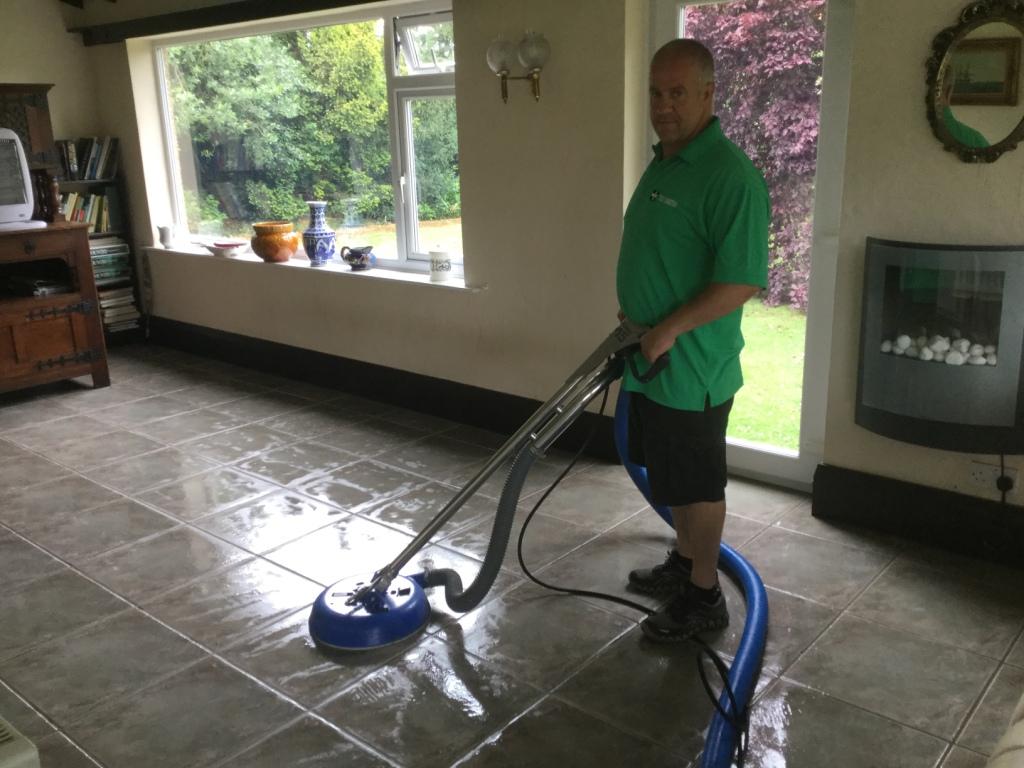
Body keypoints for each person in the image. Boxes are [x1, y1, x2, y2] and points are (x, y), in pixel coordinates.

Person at [616, 39, 769, 643]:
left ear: (708, 94)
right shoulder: (666, 160)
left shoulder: (730, 177)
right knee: (671, 477)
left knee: (697, 486)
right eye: (656, 92)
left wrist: (669, 328)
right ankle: (683, 562)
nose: (664, 106)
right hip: (652, 356)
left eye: (678, 93)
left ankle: (704, 595)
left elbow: (742, 280)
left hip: (691, 367)